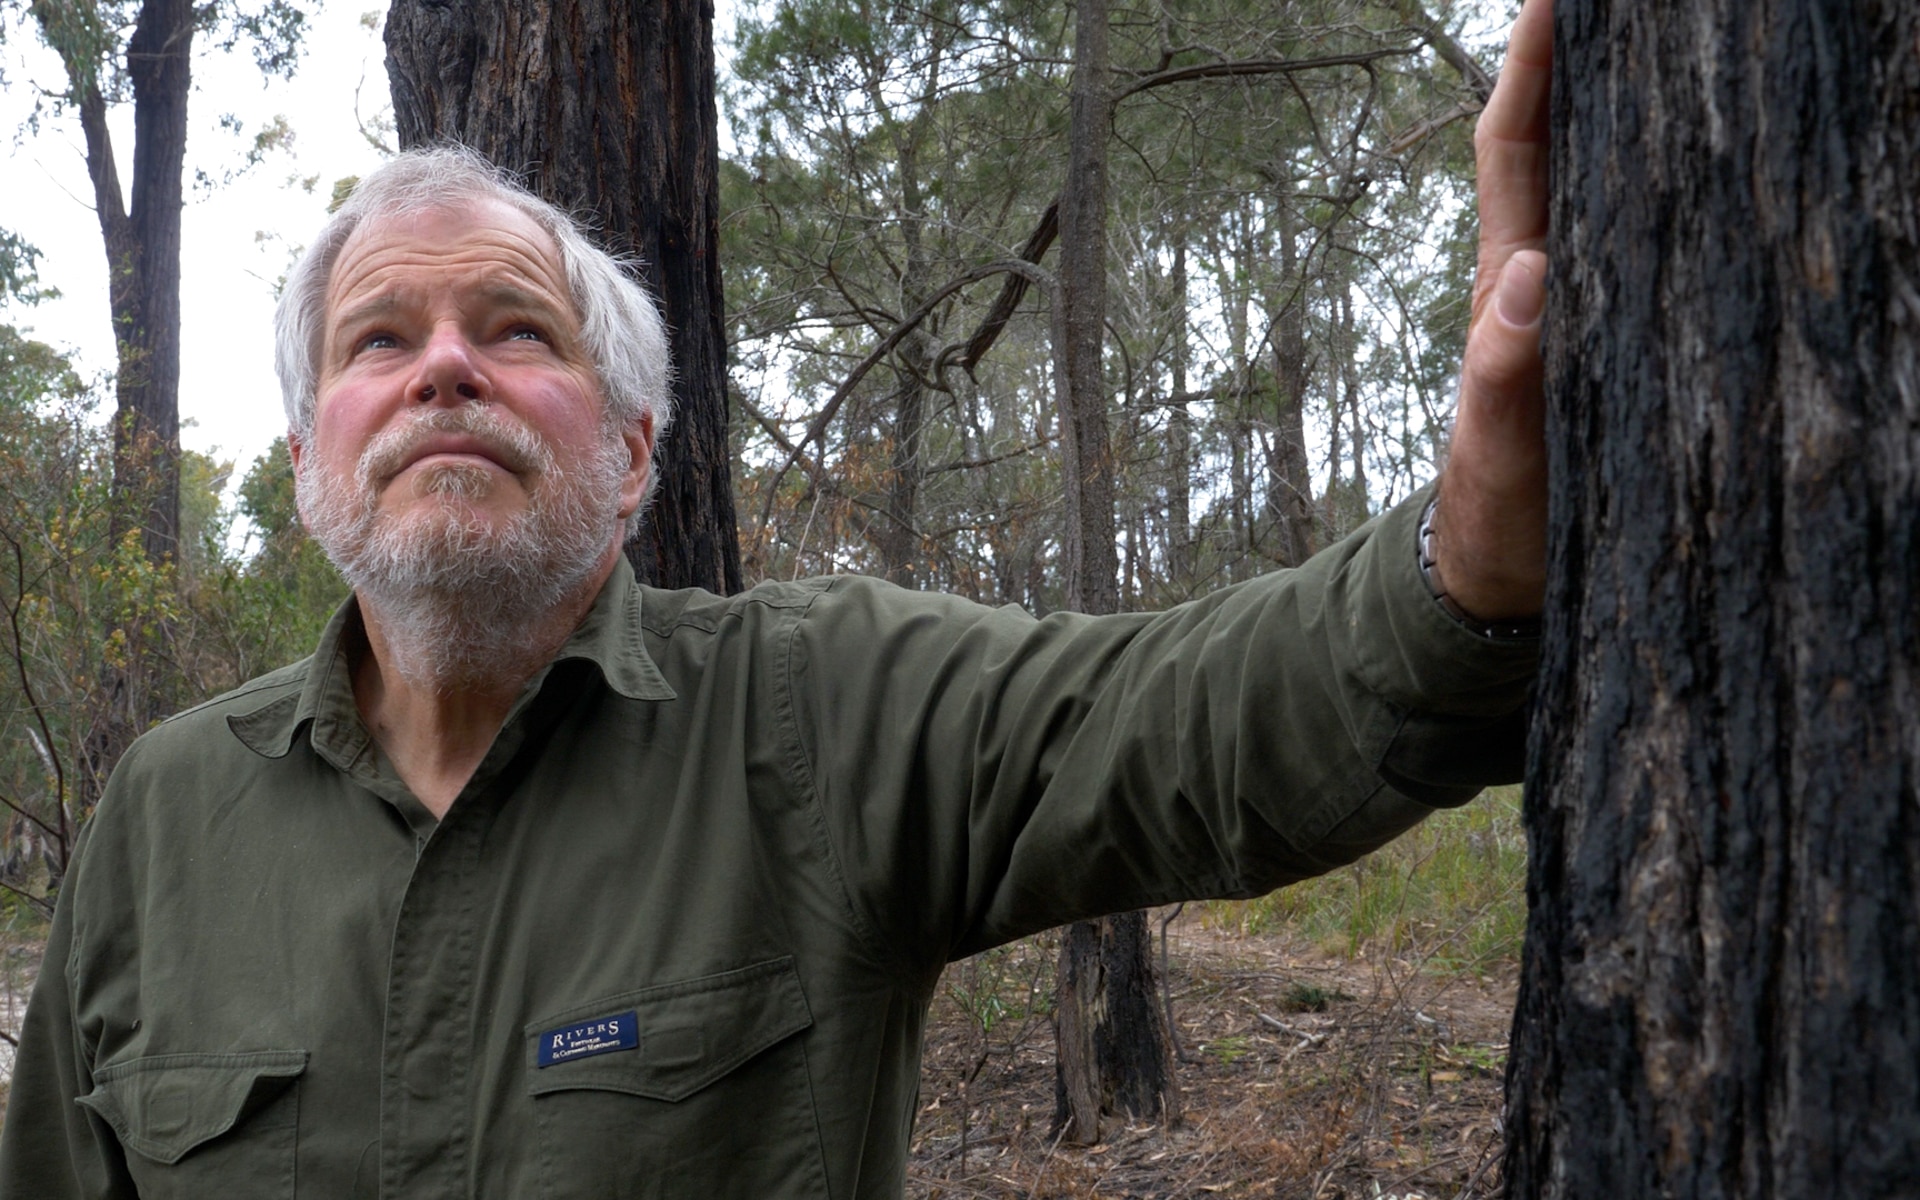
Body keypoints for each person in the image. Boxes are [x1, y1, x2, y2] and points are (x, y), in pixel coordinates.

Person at [0, 1, 1553, 1195]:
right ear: (307, 461)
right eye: (378, 340)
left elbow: (1188, 724)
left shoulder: (817, 716)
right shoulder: (165, 813)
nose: (445, 366)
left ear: (629, 456)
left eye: (517, 329)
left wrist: (1471, 553)